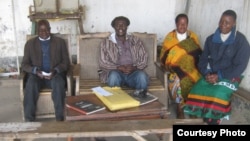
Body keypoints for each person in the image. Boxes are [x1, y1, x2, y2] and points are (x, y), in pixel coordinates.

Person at [183, 10, 250, 125]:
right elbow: (203, 60)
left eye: (227, 22)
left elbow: (240, 66)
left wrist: (219, 75)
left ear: (234, 24)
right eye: (221, 21)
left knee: (217, 94)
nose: (223, 24)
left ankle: (214, 119)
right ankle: (203, 117)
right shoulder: (211, 39)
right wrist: (207, 73)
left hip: (230, 76)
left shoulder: (241, 41)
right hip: (211, 74)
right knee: (197, 89)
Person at [21, 19, 70, 121]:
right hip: (37, 76)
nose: (44, 33)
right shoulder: (30, 44)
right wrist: (35, 71)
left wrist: (56, 70)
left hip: (54, 75)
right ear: (37, 31)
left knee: (59, 84)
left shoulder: (59, 42)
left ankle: (60, 119)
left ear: (50, 29)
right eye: (41, 31)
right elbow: (24, 65)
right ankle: (29, 120)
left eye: (47, 30)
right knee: (30, 85)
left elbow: (66, 62)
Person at [159, 14, 202, 119]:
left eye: (185, 24)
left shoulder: (193, 36)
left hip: (192, 68)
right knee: (176, 80)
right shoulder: (170, 37)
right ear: (176, 24)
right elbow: (164, 56)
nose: (182, 26)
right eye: (180, 24)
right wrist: (172, 66)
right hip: (174, 69)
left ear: (187, 24)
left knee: (197, 79)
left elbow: (198, 54)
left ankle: (192, 107)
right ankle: (180, 107)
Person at [98, 16, 149, 97]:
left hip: (133, 73)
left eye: (123, 25)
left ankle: (141, 100)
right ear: (114, 27)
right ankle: (116, 101)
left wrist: (134, 68)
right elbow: (103, 63)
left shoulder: (136, 41)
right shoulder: (106, 42)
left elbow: (144, 59)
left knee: (142, 76)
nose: (120, 27)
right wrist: (119, 67)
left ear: (127, 27)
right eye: (118, 25)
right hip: (116, 72)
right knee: (113, 76)